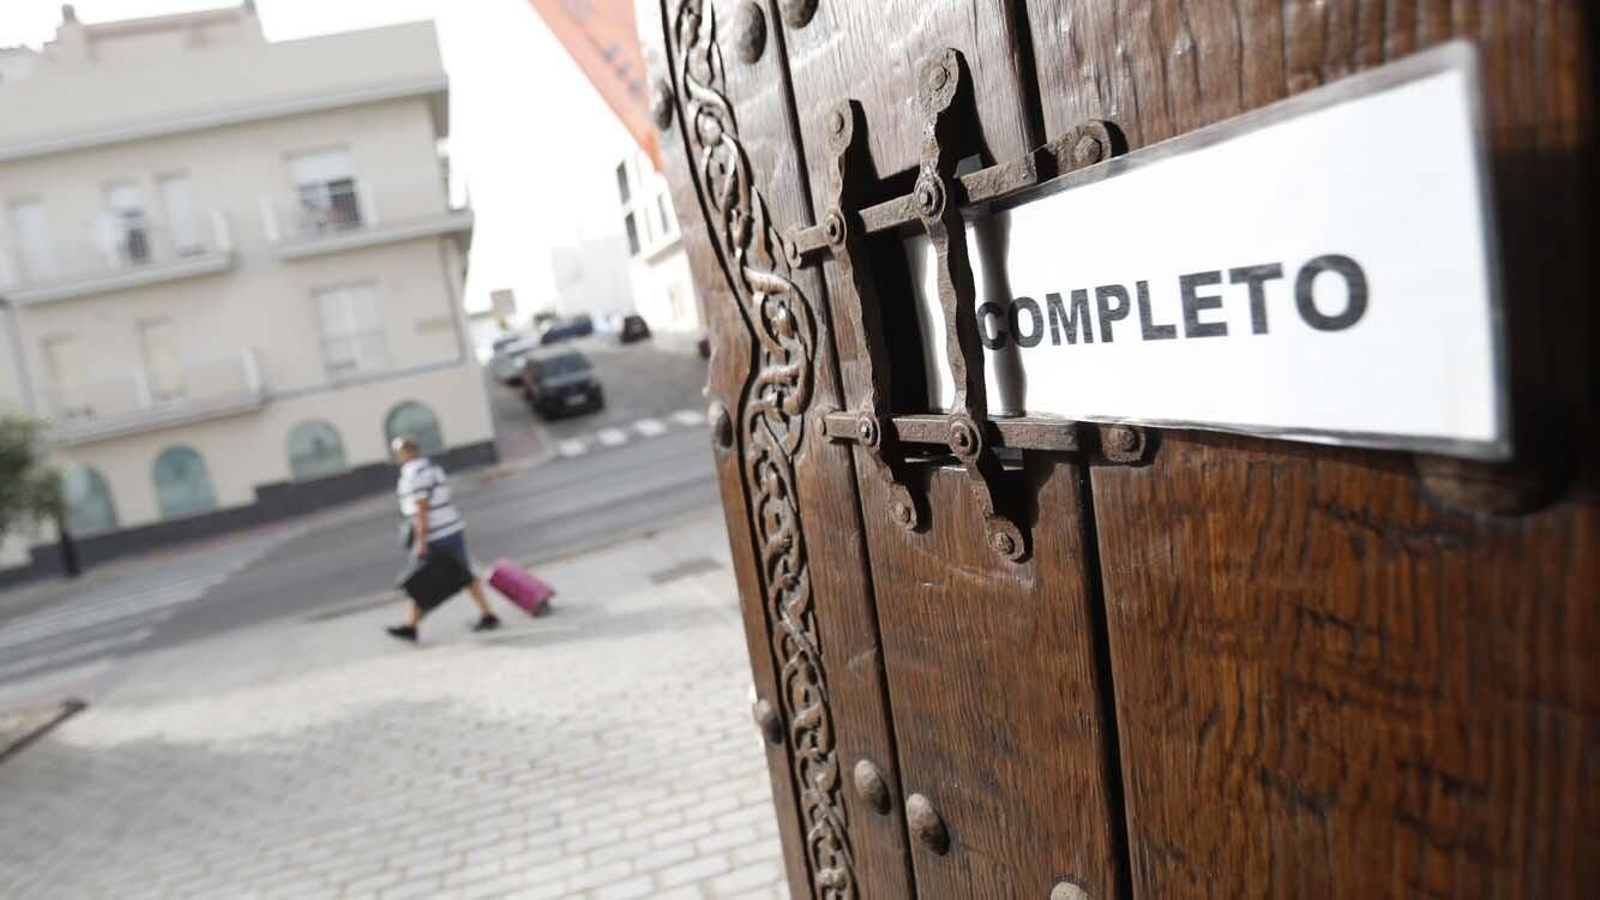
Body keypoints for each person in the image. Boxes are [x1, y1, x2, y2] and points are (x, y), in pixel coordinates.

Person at [385, 436, 500, 642]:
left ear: (406, 452)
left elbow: (421, 509)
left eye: (398, 453)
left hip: (435, 535)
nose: (397, 457)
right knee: (464, 573)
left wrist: (421, 541)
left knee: (420, 580)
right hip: (452, 529)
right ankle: (487, 614)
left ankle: (411, 627)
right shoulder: (432, 468)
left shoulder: (414, 473)